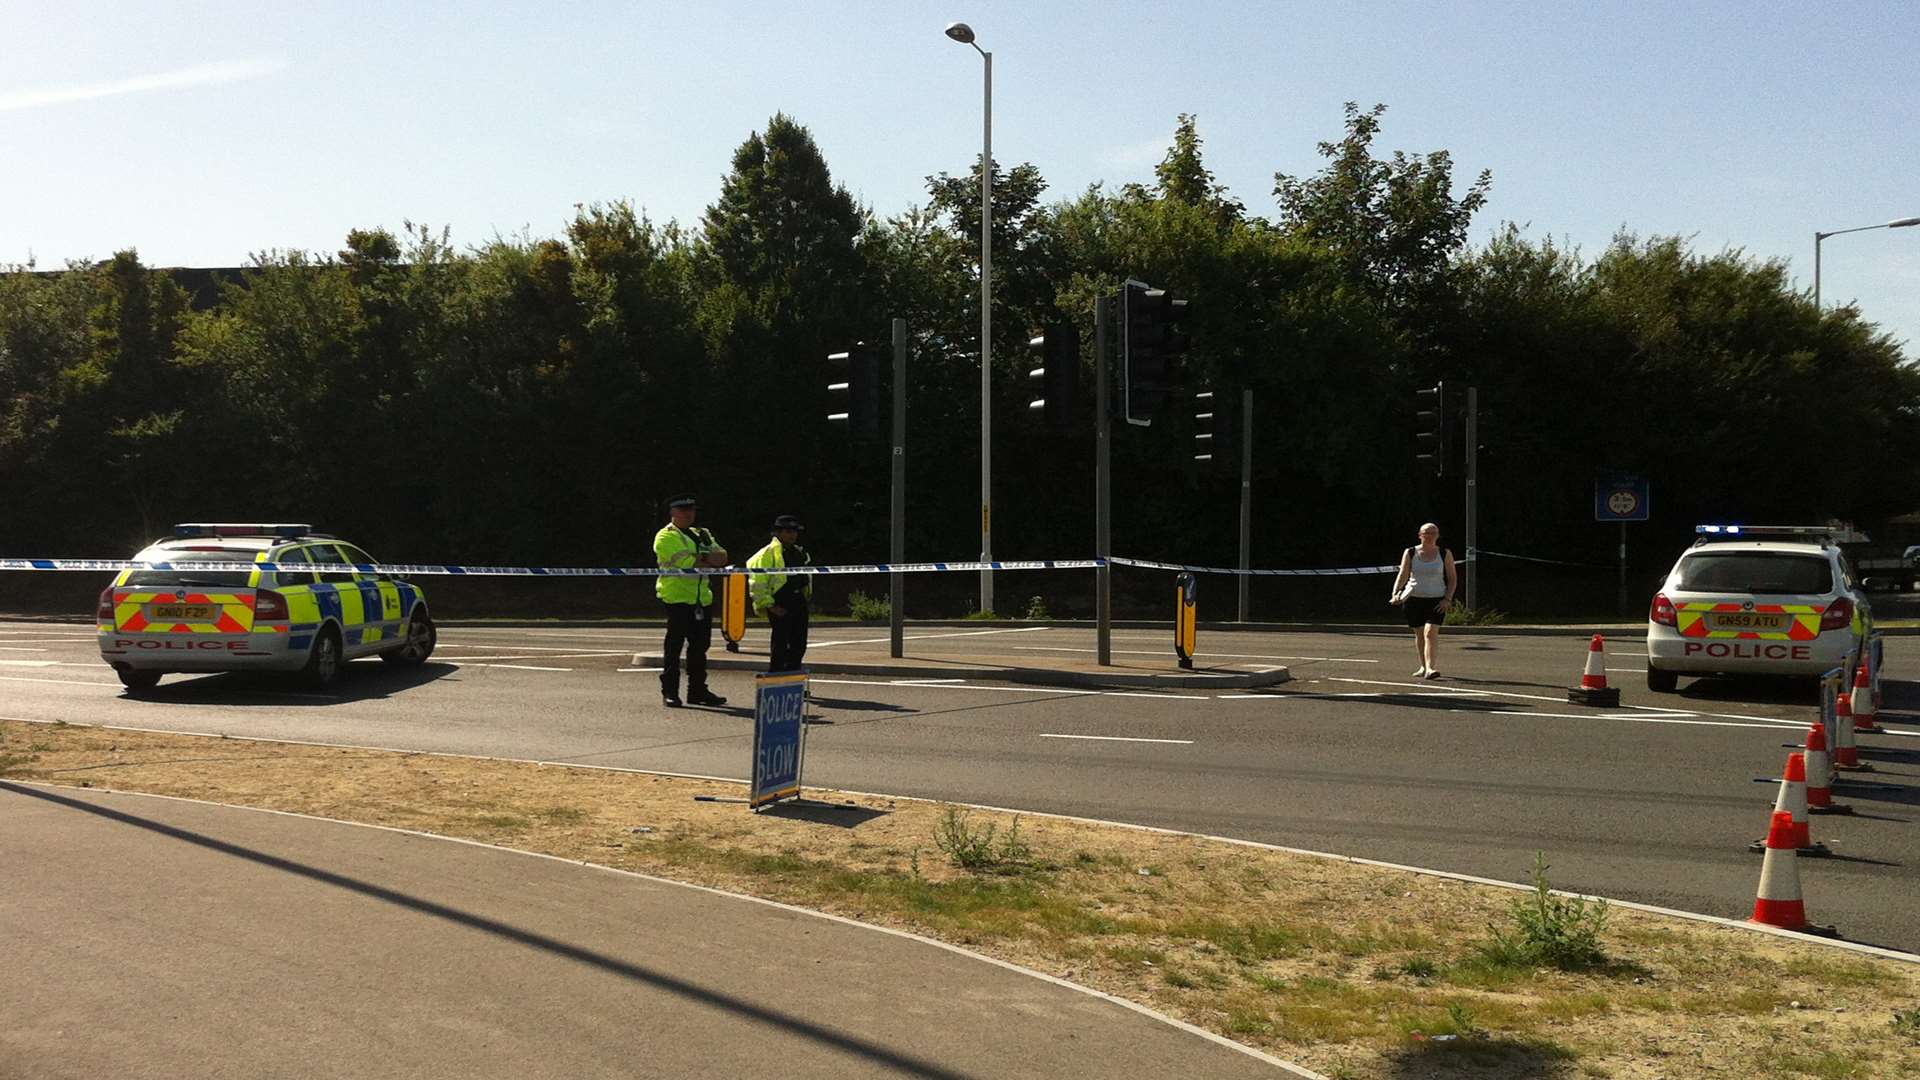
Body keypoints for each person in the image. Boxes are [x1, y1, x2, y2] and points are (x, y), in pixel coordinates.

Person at [654, 495, 729, 707]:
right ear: (673, 513)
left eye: (692, 510)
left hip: (701, 599)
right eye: (683, 510)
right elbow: (686, 564)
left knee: (700, 647)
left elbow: (722, 557)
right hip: (677, 598)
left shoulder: (701, 533)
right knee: (674, 646)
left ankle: (697, 691)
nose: (689, 514)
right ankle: (670, 690)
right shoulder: (665, 536)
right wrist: (707, 559)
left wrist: (705, 559)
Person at [1388, 522, 1457, 680]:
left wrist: (1448, 598)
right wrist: (1396, 593)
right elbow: (1403, 574)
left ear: (1438, 536)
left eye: (1434, 533)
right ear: (1420, 535)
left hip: (1437, 600)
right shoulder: (1411, 552)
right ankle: (1423, 666)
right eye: (1426, 533)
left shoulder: (1444, 553)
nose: (1430, 536)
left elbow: (1452, 578)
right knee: (1419, 634)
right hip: (1414, 599)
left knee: (1430, 632)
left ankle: (1431, 668)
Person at [747, 514, 813, 673]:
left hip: (798, 600)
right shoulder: (766, 554)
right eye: (788, 531)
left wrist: (806, 597)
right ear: (777, 532)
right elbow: (757, 582)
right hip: (780, 602)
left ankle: (793, 682)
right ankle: (775, 680)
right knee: (781, 645)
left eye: (795, 531)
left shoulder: (800, 552)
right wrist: (770, 605)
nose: (793, 535)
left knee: (799, 644)